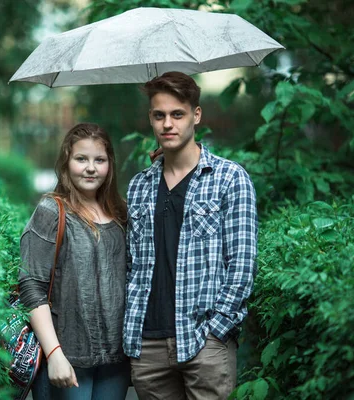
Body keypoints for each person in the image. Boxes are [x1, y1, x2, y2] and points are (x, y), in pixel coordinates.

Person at [124, 71, 258, 400]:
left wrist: (218, 330)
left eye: (177, 114)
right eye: (159, 115)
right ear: (151, 119)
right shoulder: (140, 185)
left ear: (196, 115)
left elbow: (242, 263)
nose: (167, 124)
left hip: (204, 341)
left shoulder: (229, 178)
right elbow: (131, 263)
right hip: (149, 344)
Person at [18, 123, 130, 400]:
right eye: (81, 159)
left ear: (110, 165)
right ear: (67, 162)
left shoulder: (120, 214)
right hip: (66, 357)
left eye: (99, 160)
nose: (91, 168)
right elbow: (32, 287)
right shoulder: (52, 211)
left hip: (116, 360)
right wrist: (54, 354)